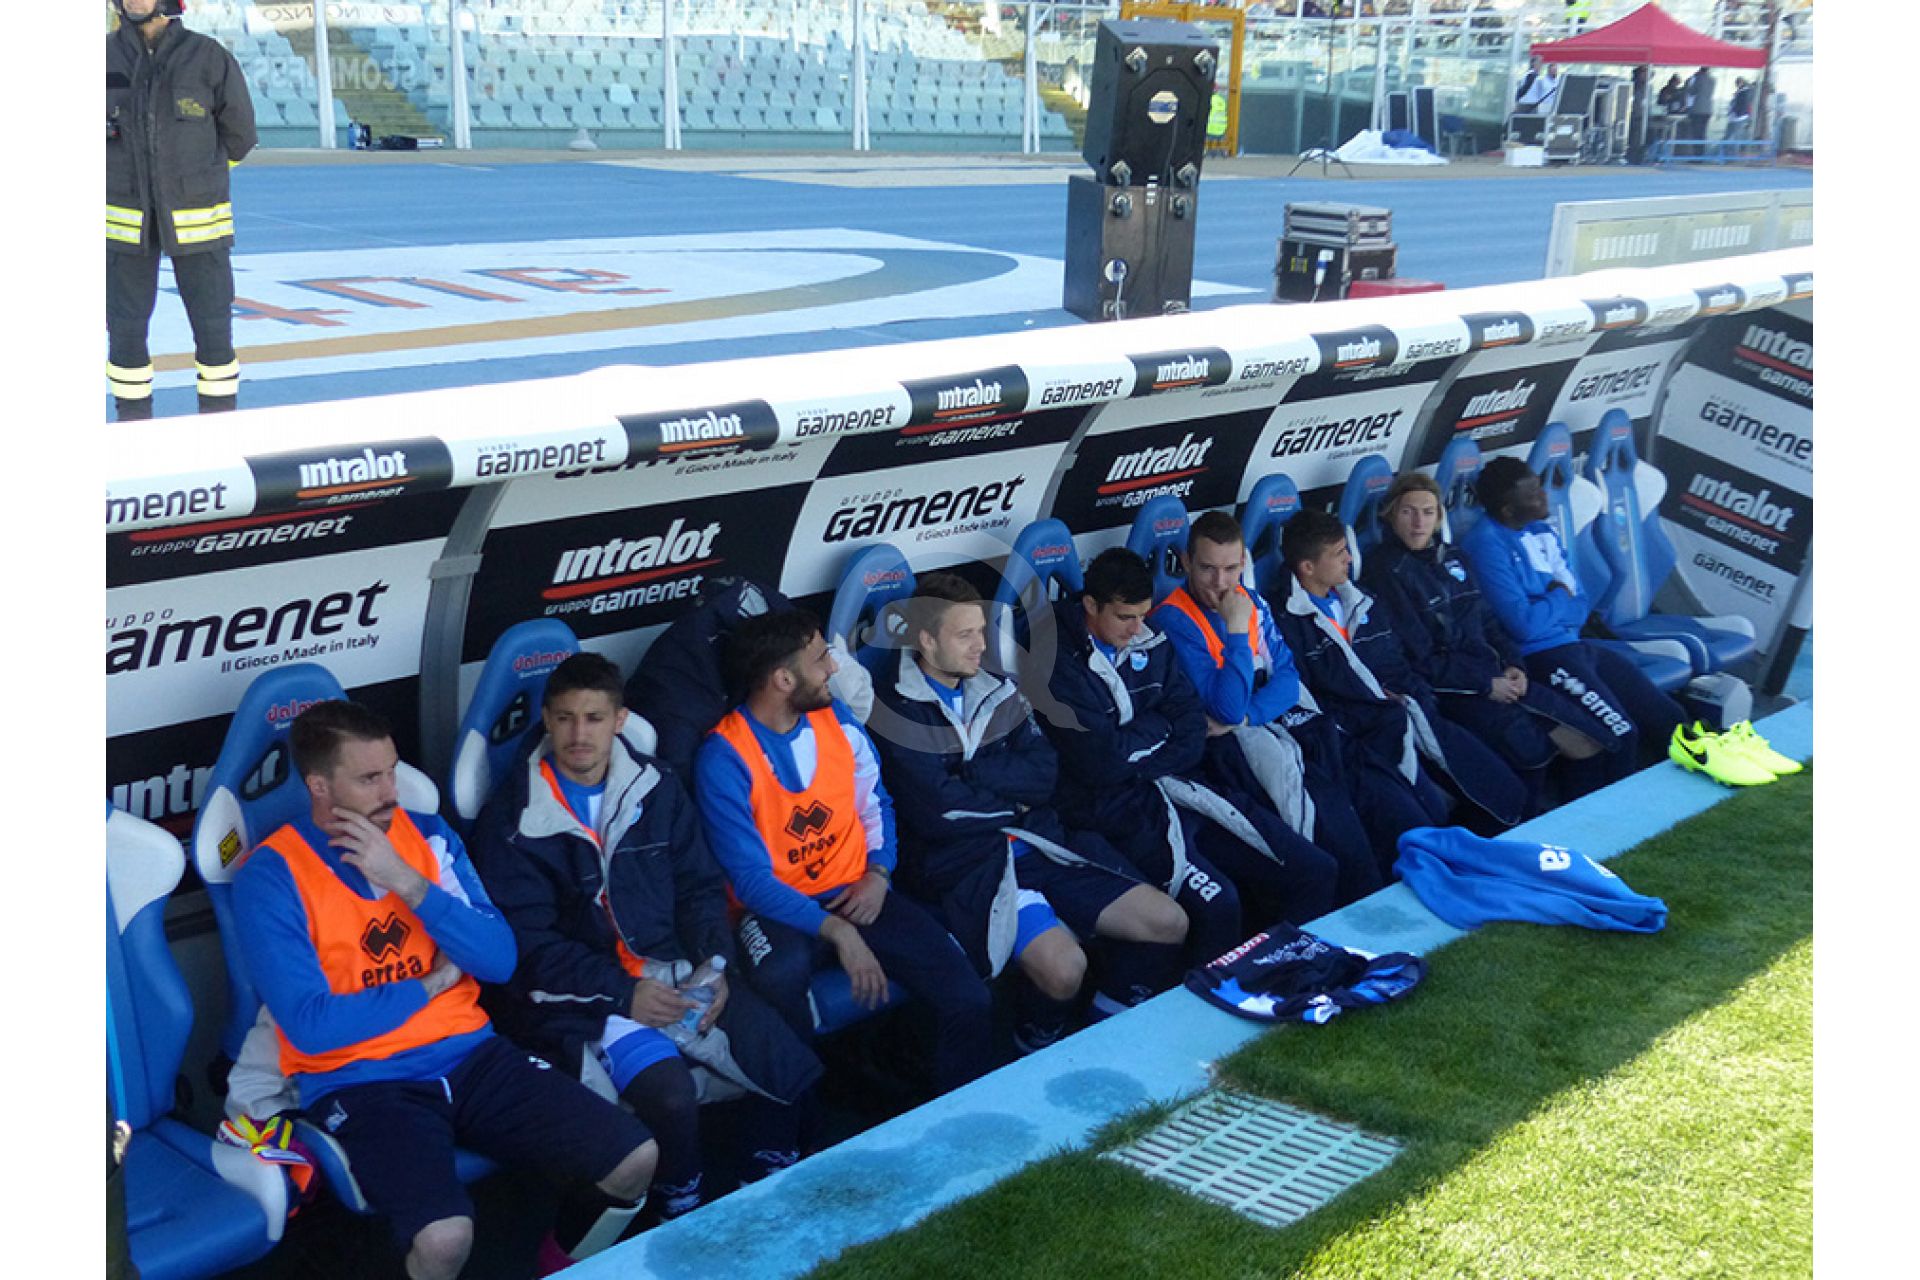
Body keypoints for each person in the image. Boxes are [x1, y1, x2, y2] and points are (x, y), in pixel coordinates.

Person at [232, 701, 657, 1279]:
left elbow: (499, 959)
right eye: (369, 778)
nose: (390, 791)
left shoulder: (428, 838)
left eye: (392, 771)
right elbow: (311, 1025)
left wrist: (406, 882)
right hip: (364, 1081)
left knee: (635, 1159)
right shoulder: (271, 874)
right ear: (319, 787)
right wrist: (428, 987)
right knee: (444, 1240)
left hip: (472, 1057)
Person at [468, 653, 822, 1228]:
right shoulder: (511, 818)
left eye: (594, 718)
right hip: (583, 996)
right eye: (565, 718)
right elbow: (529, 946)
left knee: (782, 1055)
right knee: (670, 1093)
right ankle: (678, 1203)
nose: (579, 734)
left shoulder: (656, 785)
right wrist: (622, 993)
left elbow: (699, 887)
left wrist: (713, 963)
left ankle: (771, 1174)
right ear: (547, 720)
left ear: (619, 720)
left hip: (671, 970)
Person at [869, 573, 1190, 1051]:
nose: (981, 646)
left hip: (1040, 844)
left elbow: (1044, 774)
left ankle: (1105, 1025)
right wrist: (1013, 802)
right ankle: (1033, 1043)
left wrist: (974, 775)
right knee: (1065, 967)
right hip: (974, 865)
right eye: (965, 635)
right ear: (927, 640)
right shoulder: (896, 708)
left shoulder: (997, 687)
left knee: (1167, 922)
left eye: (981, 631)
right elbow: (939, 812)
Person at [695, 610, 994, 1094]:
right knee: (779, 977)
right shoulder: (724, 755)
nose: (833, 668)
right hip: (776, 912)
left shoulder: (837, 720)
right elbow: (749, 881)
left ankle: (950, 1112)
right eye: (820, 660)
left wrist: (879, 873)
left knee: (969, 999)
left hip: (858, 890)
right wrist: (838, 931)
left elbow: (877, 805)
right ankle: (796, 1121)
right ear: (783, 679)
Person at [1039, 547, 1290, 959]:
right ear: (1090, 605)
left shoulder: (1147, 635)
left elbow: (1192, 726)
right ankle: (1194, 994)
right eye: (1125, 617)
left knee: (1299, 865)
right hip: (1103, 810)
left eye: (1143, 614)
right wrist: (1160, 727)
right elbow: (1100, 762)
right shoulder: (1056, 659)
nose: (1138, 628)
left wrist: (1140, 753)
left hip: (1169, 783)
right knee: (1219, 902)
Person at [1151, 511, 1387, 911]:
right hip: (1229, 755)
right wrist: (1236, 632)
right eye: (1207, 569)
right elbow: (1225, 708)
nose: (1220, 582)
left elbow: (1289, 681)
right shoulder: (1173, 619)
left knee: (1361, 804)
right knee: (1321, 838)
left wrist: (1249, 715)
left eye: (1230, 568)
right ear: (1187, 563)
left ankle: (1370, 910)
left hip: (1271, 727)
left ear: (1243, 562)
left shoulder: (1251, 601)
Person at [1360, 473, 1607, 811]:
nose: (1419, 523)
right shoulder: (1384, 570)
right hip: (1454, 690)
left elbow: (1488, 621)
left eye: (1428, 512)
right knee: (1530, 751)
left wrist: (1514, 664)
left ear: (1439, 517)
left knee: (1589, 737)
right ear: (1390, 515)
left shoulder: (1453, 557)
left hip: (1497, 675)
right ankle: (1526, 824)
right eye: (1408, 512)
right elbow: (1417, 658)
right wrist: (1484, 684)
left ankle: (1582, 822)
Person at [1272, 507, 1526, 833]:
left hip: (1412, 712)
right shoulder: (1286, 621)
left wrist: (1414, 699)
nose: (1349, 558)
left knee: (1504, 788)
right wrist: (1373, 708)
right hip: (1362, 739)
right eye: (1338, 553)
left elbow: (1397, 662)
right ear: (1308, 567)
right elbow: (1308, 699)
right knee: (1426, 818)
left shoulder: (1362, 599)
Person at [1459, 457, 1685, 790]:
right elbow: (1523, 625)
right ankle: (1608, 816)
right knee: (1620, 735)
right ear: (1508, 510)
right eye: (1534, 494)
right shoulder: (1485, 545)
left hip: (1575, 645)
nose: (1544, 497)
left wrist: (1551, 603)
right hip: (1539, 658)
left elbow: (1580, 606)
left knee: (1668, 716)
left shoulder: (1541, 531)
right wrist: (1557, 596)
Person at [107, 0, 255, 421]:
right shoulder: (100, 57)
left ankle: (218, 425)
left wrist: (198, 180)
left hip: (199, 224)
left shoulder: (208, 57)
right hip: (124, 224)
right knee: (125, 333)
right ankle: (133, 428)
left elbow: (241, 136)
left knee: (213, 331)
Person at [1684, 65, 1716, 141]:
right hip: (1708, 109)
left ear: (1700, 70)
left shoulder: (1698, 78)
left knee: (1696, 132)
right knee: (1703, 132)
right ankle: (1702, 147)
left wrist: (1690, 82)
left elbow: (1692, 92)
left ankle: (1697, 148)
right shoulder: (1713, 80)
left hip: (1697, 109)